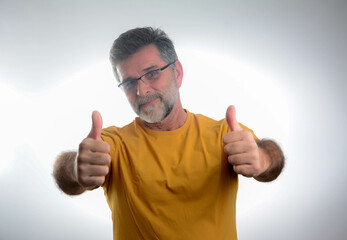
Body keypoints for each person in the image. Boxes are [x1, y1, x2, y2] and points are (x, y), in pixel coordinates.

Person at [53, 27, 285, 240]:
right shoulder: (113, 144)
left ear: (178, 73)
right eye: (129, 83)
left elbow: (270, 160)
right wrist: (75, 167)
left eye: (152, 73)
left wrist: (261, 159)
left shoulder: (223, 134)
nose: (142, 90)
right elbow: (68, 176)